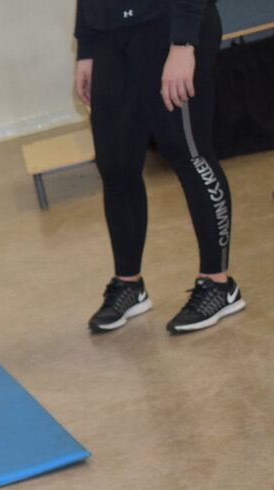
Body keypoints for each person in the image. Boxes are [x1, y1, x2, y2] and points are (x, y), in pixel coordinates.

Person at [75, 0, 243, 334]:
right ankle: (129, 284)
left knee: (188, 153)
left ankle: (218, 284)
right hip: (110, 33)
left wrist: (183, 42)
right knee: (116, 164)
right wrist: (87, 45)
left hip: (168, 25)